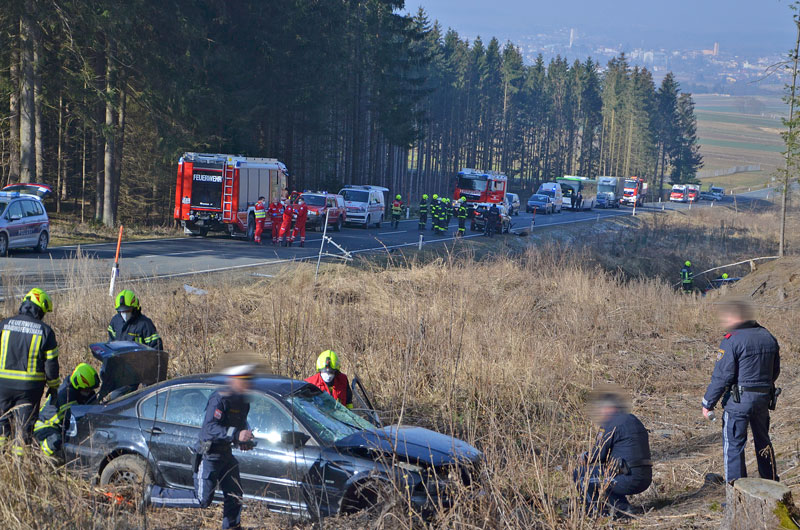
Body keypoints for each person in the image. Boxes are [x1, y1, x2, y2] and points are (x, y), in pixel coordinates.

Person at [148, 364, 256, 529]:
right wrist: (236, 435)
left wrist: (243, 441)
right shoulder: (220, 398)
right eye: (244, 381)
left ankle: (232, 527)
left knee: (235, 494)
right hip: (209, 454)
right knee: (202, 500)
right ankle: (154, 495)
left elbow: (239, 427)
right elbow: (210, 428)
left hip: (226, 455)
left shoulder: (243, 402)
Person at [702, 299, 780, 483]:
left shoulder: (732, 340)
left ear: (736, 317)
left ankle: (735, 490)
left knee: (734, 446)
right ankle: (772, 484)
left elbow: (722, 377)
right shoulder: (768, 336)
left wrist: (708, 403)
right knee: (764, 443)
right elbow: (775, 371)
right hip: (763, 399)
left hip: (738, 402)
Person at [573, 387, 652, 518]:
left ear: (608, 408)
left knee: (581, 475)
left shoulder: (611, 423)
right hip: (645, 478)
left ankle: (594, 513)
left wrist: (583, 457)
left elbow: (598, 455)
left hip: (626, 478)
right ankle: (622, 508)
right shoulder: (634, 420)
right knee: (606, 475)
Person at [0, 288, 59, 452]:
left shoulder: (4, 325)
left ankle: (2, 460)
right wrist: (53, 387)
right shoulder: (45, 331)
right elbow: (51, 365)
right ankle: (20, 463)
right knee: (24, 429)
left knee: (2, 425)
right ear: (40, 309)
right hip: (29, 389)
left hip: (2, 387)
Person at [33, 363, 99, 457]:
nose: (89, 392)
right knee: (56, 439)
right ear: (78, 383)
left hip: (60, 426)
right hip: (45, 425)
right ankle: (41, 456)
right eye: (87, 389)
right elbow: (73, 417)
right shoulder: (65, 395)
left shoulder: (81, 390)